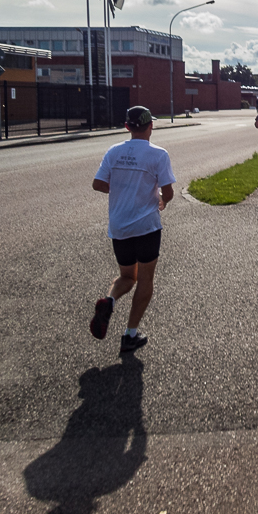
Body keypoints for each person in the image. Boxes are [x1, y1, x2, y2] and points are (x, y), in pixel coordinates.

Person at [89, 106, 176, 355]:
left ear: (127, 127)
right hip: (146, 226)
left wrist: (121, 190)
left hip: (119, 226)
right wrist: (162, 200)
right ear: (151, 126)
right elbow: (168, 192)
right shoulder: (158, 154)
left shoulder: (114, 152)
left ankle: (110, 300)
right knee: (145, 279)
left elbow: (98, 184)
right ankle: (130, 334)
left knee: (127, 276)